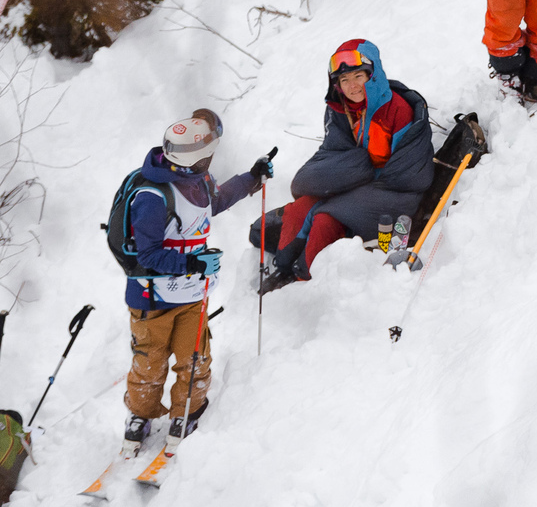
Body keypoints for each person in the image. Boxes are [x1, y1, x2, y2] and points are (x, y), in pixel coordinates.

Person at [118, 111, 272, 454]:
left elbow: (215, 201)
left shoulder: (195, 179)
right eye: (208, 155)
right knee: (149, 362)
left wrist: (251, 178)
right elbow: (147, 254)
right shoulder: (152, 196)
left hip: (191, 295)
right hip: (151, 300)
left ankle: (186, 411)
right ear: (194, 158)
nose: (211, 159)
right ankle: (140, 415)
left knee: (195, 357)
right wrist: (191, 263)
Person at [260, 40, 433, 292]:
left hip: (396, 193)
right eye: (344, 80)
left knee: (324, 216)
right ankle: (284, 267)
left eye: (358, 76)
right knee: (302, 208)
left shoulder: (398, 110)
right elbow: (332, 154)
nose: (352, 86)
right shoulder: (341, 110)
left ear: (373, 75)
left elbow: (409, 175)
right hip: (359, 185)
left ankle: (303, 279)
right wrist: (357, 169)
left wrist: (358, 172)